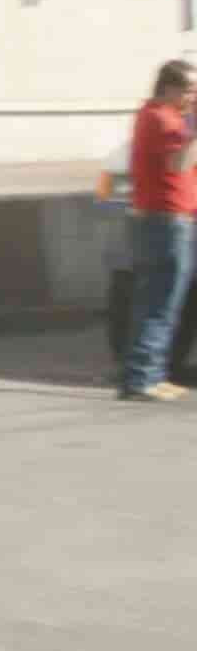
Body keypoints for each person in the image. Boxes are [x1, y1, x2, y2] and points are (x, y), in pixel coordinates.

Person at [122, 59, 197, 404]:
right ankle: (141, 379)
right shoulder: (158, 117)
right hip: (164, 222)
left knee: (164, 303)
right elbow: (177, 163)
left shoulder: (167, 118)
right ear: (169, 87)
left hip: (172, 219)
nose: (193, 96)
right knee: (159, 303)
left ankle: (153, 374)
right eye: (190, 88)